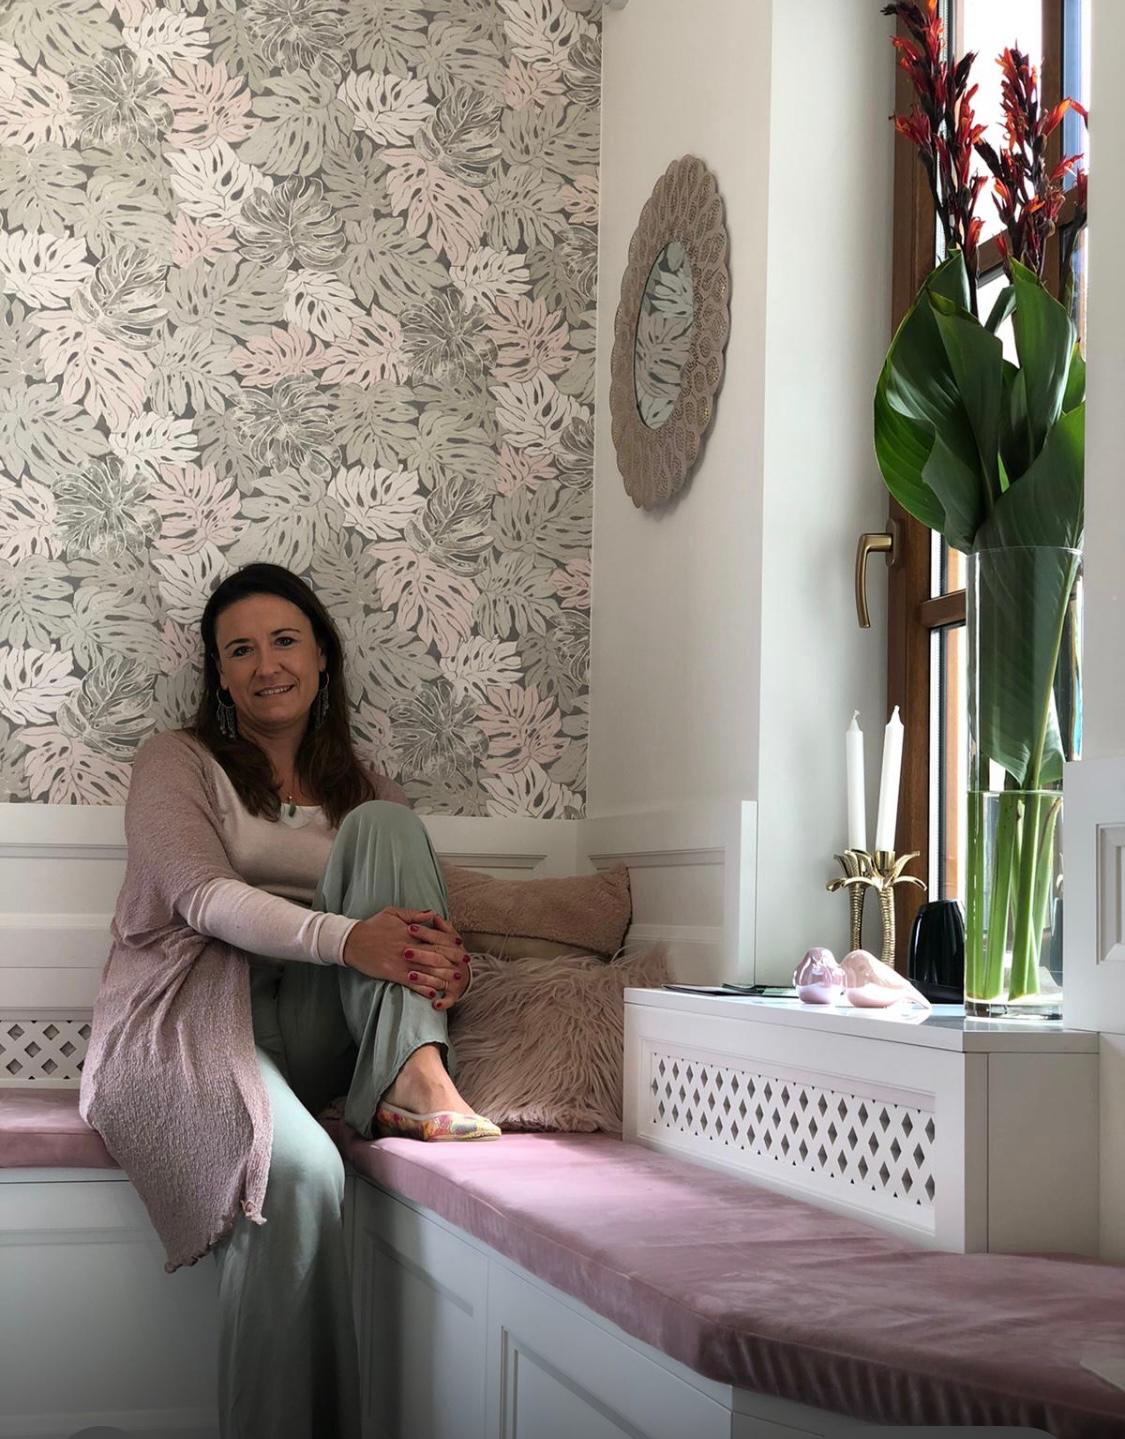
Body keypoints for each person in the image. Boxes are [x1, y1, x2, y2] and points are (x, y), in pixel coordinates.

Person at [79, 562, 499, 1439]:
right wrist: (352, 939)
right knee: (302, 1172)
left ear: (322, 657)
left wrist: (443, 968)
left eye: (283, 640)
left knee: (391, 829)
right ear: (220, 675)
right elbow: (199, 895)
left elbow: (418, 913)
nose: (266, 663)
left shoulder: (367, 794)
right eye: (241, 649)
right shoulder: (178, 762)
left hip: (320, 1024)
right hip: (190, 1022)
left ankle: (417, 1075)